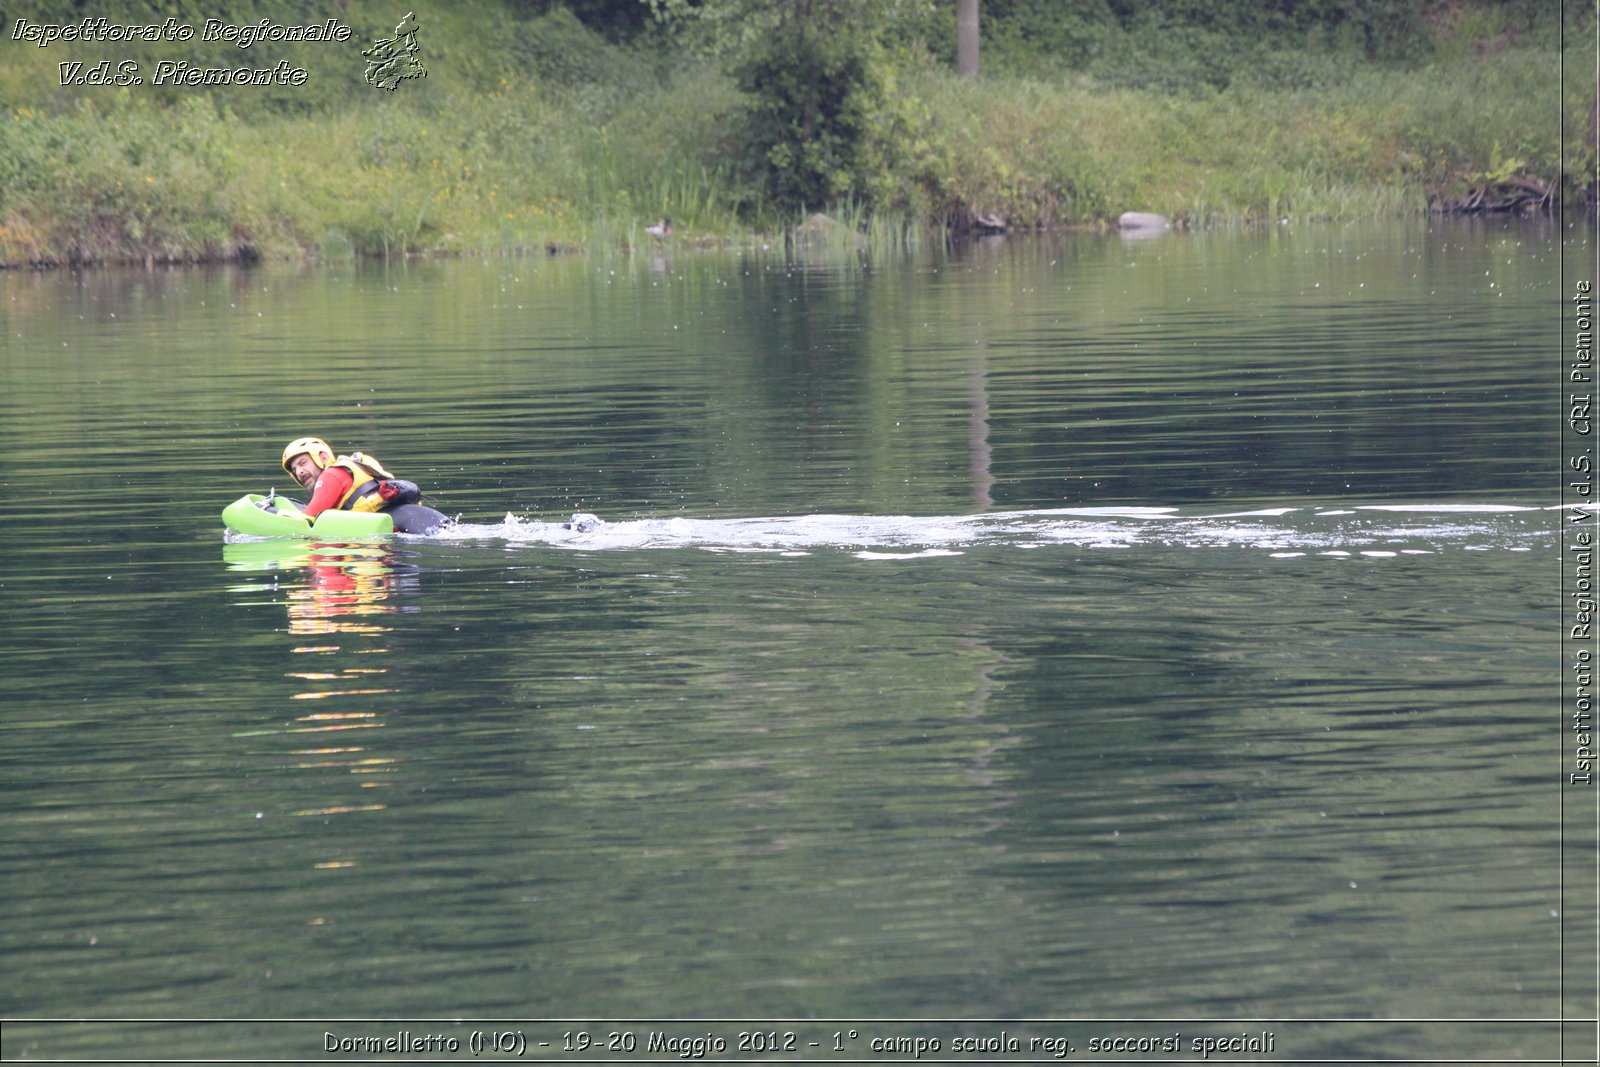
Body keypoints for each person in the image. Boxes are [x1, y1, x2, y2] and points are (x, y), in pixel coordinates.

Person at [280, 437, 451, 534]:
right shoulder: (347, 470)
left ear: (323, 458)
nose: (299, 472)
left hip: (413, 528)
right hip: (424, 521)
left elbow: (306, 521)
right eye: (294, 470)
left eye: (303, 463)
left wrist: (274, 512)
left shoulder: (331, 475)